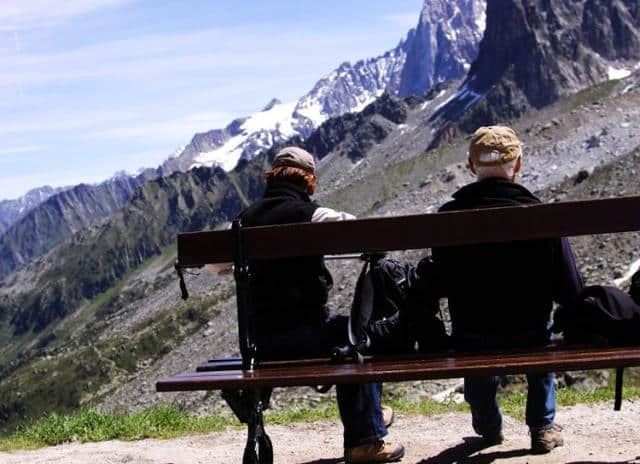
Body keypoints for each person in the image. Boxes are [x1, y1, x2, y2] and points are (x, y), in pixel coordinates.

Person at [421, 126, 583, 454]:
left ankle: (487, 423)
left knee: (472, 331)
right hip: (530, 333)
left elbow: (439, 282)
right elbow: (570, 287)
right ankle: (542, 424)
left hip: (472, 336)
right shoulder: (541, 215)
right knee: (543, 327)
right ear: (518, 165)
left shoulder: (447, 217)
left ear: (470, 166)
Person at [237, 146, 405, 463]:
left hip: (260, 344)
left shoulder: (243, 221)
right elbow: (360, 233)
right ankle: (364, 441)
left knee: (346, 333)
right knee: (355, 334)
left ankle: (373, 415)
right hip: (307, 337)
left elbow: (215, 266)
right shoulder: (310, 214)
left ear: (272, 177)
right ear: (308, 181)